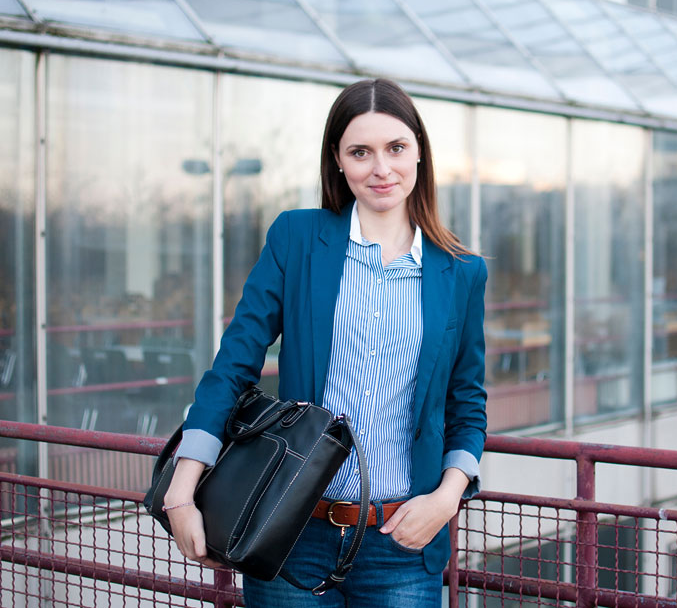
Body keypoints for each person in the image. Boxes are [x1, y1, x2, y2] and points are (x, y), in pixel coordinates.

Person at [162, 78, 488, 607]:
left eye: (396, 148)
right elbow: (234, 365)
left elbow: (467, 403)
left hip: (402, 538)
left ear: (420, 153)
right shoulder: (296, 239)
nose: (381, 169)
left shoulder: (461, 273)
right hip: (289, 532)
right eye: (360, 152)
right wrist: (183, 483)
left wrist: (446, 499)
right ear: (337, 160)